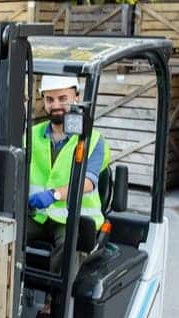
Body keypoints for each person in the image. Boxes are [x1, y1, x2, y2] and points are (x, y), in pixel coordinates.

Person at [27, 75, 111, 273]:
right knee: (2, 232)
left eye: (62, 98)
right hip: (37, 215)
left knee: (70, 244)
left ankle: (54, 301)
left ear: (76, 97)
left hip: (72, 218)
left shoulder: (93, 140)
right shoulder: (31, 135)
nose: (56, 105)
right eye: (49, 99)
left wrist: (54, 194)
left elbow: (88, 182)